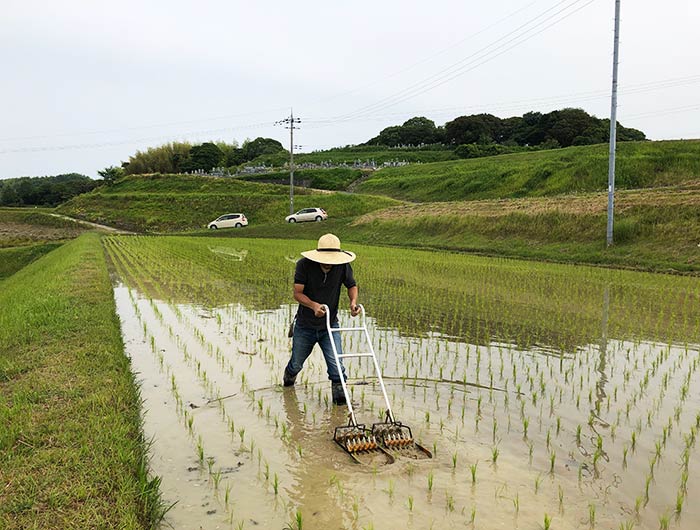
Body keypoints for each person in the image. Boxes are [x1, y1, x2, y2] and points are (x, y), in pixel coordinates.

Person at [283, 233, 359, 405]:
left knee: (337, 367)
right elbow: (297, 293)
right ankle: (287, 387)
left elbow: (352, 285)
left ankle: (339, 408)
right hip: (305, 325)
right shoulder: (304, 265)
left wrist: (353, 303)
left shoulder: (343, 266)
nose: (329, 262)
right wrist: (313, 306)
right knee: (296, 363)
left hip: (329, 326)